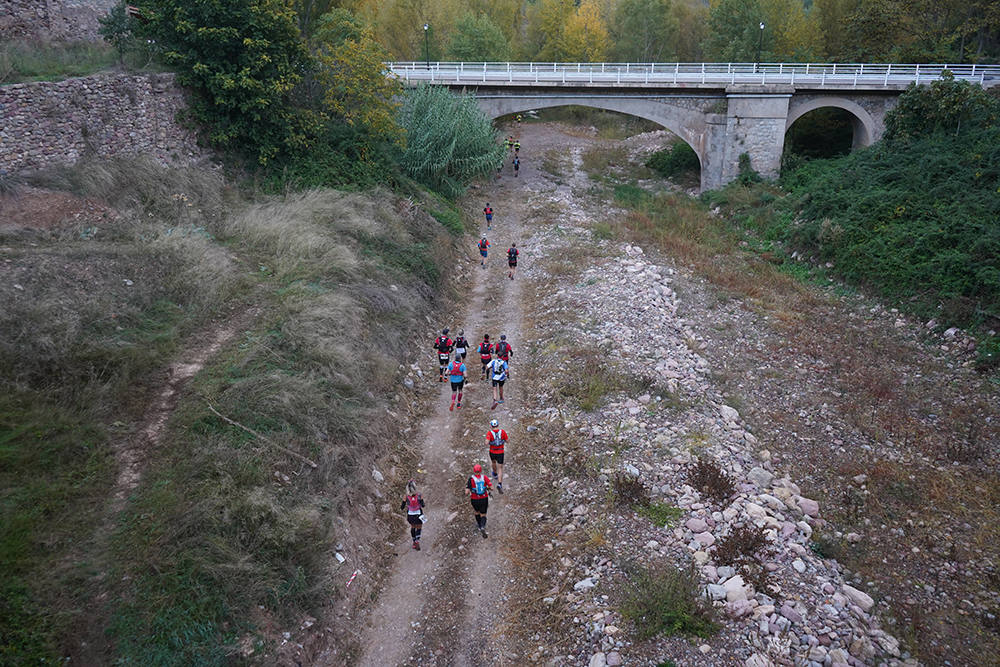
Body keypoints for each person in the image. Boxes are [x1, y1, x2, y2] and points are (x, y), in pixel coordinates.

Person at [466, 463, 493, 538]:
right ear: (481, 470)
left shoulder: (471, 479)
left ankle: (479, 524)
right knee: (483, 514)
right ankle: (482, 527)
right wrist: (487, 488)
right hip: (484, 498)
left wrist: (470, 489)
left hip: (474, 499)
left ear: (474, 471)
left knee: (476, 512)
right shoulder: (484, 477)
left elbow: (466, 492)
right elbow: (492, 488)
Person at [400, 479, 426, 550]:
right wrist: (421, 500)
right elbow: (423, 505)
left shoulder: (406, 496)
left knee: (413, 527)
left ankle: (414, 541)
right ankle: (417, 542)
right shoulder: (419, 495)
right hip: (419, 514)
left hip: (410, 516)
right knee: (419, 527)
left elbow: (402, 507)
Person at [486, 418, 508, 493]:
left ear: (491, 426)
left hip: (492, 452)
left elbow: (486, 442)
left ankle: (494, 473)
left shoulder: (489, 433)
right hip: (500, 452)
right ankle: (499, 484)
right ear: (498, 425)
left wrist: (489, 441)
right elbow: (508, 441)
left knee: (493, 462)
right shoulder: (502, 432)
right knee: (500, 468)